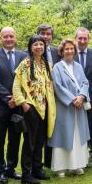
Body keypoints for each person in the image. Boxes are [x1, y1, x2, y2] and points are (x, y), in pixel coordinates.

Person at [13, 35, 56, 184]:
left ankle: (37, 169)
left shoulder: (47, 64)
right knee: (29, 142)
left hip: (45, 107)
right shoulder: (25, 64)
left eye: (41, 44)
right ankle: (26, 173)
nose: (39, 47)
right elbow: (16, 86)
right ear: (31, 47)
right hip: (31, 108)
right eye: (36, 44)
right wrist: (23, 104)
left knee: (40, 141)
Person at [0, 27, 27, 184]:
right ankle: (0, 170)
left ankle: (11, 168)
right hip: (0, 106)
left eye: (11, 36)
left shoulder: (23, 56)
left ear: (15, 37)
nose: (9, 39)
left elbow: (26, 80)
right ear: (0, 38)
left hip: (18, 105)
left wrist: (17, 99)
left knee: (15, 138)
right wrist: (7, 97)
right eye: (6, 37)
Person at [49, 39, 90, 177]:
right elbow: (58, 86)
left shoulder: (78, 66)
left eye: (72, 48)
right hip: (65, 107)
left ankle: (77, 165)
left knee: (78, 135)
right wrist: (73, 99)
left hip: (79, 108)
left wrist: (82, 96)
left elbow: (85, 82)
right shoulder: (57, 67)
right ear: (61, 51)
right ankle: (61, 167)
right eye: (66, 49)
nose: (69, 51)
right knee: (64, 134)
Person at [74, 27, 92, 165]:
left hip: (91, 99)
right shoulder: (69, 53)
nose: (82, 41)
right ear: (75, 39)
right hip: (73, 99)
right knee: (76, 127)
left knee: (91, 126)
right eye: (80, 38)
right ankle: (77, 154)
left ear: (89, 40)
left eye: (85, 38)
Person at [37, 24, 58, 169]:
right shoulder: (31, 52)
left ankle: (51, 160)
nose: (45, 36)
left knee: (54, 128)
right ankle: (38, 162)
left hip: (56, 96)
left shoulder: (58, 52)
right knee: (40, 131)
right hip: (39, 98)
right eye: (42, 34)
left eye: (48, 34)